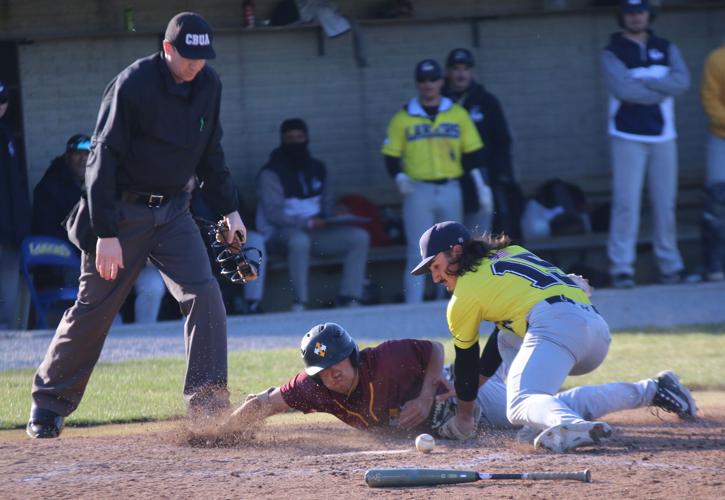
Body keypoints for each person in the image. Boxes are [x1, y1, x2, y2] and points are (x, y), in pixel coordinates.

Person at [27, 12, 247, 439]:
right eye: (188, 57)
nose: (196, 65)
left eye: (202, 57)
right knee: (95, 308)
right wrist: (105, 232)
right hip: (120, 213)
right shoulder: (133, 84)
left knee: (205, 295)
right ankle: (49, 404)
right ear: (168, 49)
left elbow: (211, 153)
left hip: (174, 212)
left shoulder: (209, 85)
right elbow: (101, 160)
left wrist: (230, 209)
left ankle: (208, 410)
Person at [409, 221, 698, 452]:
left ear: (456, 252)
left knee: (520, 404)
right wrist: (475, 386)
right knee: (525, 378)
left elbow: (467, 361)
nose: (435, 277)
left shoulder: (464, 295)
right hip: (593, 328)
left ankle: (568, 423)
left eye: (435, 266)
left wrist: (463, 417)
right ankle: (654, 390)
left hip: (555, 328)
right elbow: (501, 338)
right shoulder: (512, 253)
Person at [226, 322, 698, 445]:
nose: (334, 375)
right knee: (539, 414)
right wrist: (219, 432)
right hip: (453, 426)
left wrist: (429, 390)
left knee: (534, 408)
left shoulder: (383, 358)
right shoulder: (315, 390)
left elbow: (433, 348)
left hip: (464, 396)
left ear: (353, 355)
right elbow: (264, 401)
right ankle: (652, 388)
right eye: (324, 372)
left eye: (339, 365)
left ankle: (652, 389)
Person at [602, 0, 695, 288]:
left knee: (665, 204)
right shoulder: (612, 51)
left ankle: (670, 266)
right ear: (622, 16)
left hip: (663, 135)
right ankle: (622, 267)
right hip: (627, 135)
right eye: (630, 13)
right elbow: (623, 89)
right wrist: (659, 84)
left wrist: (645, 81)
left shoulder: (666, 47)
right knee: (626, 204)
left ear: (648, 14)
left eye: (640, 12)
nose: (635, 17)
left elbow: (682, 82)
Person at [382, 59, 491, 304]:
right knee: (416, 248)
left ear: (442, 81)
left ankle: (456, 299)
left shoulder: (457, 113)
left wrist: (481, 186)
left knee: (455, 249)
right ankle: (415, 303)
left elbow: (473, 153)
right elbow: (390, 155)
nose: (428, 85)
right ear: (417, 83)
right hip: (418, 187)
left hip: (451, 185)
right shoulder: (404, 117)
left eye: (433, 79)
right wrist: (399, 176)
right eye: (423, 80)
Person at [31, 134, 168, 324]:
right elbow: (53, 238)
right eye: (77, 154)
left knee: (153, 284)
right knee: (107, 302)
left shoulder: (113, 183)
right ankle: (115, 342)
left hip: (122, 258)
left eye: (88, 154)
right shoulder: (51, 189)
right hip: (76, 264)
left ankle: (146, 336)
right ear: (66, 157)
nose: (83, 160)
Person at [256, 118, 369, 311]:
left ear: (307, 139)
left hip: (316, 232)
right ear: (282, 141)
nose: (296, 142)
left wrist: (335, 213)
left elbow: (325, 205)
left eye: (300, 137)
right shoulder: (271, 173)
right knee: (299, 241)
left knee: (358, 237)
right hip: (281, 234)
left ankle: (350, 297)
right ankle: (300, 302)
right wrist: (307, 223)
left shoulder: (318, 168)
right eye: (290, 138)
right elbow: (274, 214)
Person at [442, 48, 523, 239]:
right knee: (450, 238)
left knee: (481, 236)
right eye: (456, 69)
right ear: (447, 72)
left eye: (465, 69)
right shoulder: (439, 102)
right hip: (449, 177)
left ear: (472, 72)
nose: (461, 74)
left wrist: (498, 175)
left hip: (481, 177)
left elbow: (502, 140)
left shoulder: (486, 101)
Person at [191, 187, 266, 314]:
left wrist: (234, 236)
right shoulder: (178, 199)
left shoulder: (227, 190)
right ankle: (193, 311)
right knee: (191, 250)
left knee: (255, 240)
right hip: (201, 249)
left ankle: (252, 303)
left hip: (231, 244)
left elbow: (245, 222)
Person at [0, 81, 31, 329]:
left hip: (9, 232)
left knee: (8, 295)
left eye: (3, 101)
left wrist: (20, 227)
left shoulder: (6, 134)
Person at [700, 41, 725, 282]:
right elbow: (709, 97)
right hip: (722, 136)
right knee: (717, 202)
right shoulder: (717, 58)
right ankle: (716, 265)